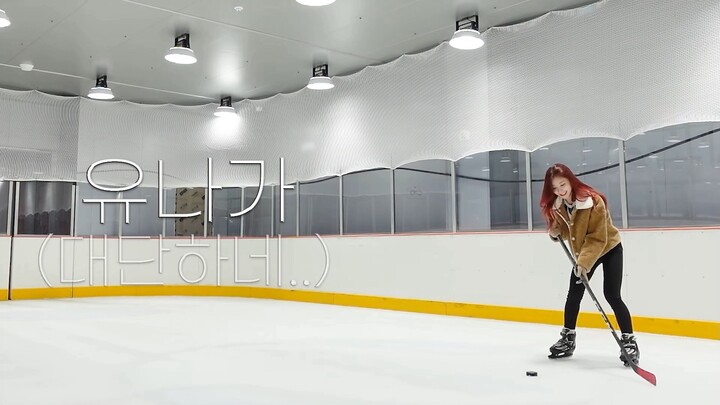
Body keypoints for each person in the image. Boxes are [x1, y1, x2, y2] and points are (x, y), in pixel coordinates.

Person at [539, 163, 639, 366]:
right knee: (573, 295)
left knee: (612, 295)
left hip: (609, 248)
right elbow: (572, 231)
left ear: (570, 180)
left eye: (562, 184)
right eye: (555, 188)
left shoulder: (593, 201)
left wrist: (583, 264)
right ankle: (568, 338)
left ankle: (629, 341)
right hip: (585, 253)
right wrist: (556, 232)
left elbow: (597, 238)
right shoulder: (559, 205)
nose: (560, 190)